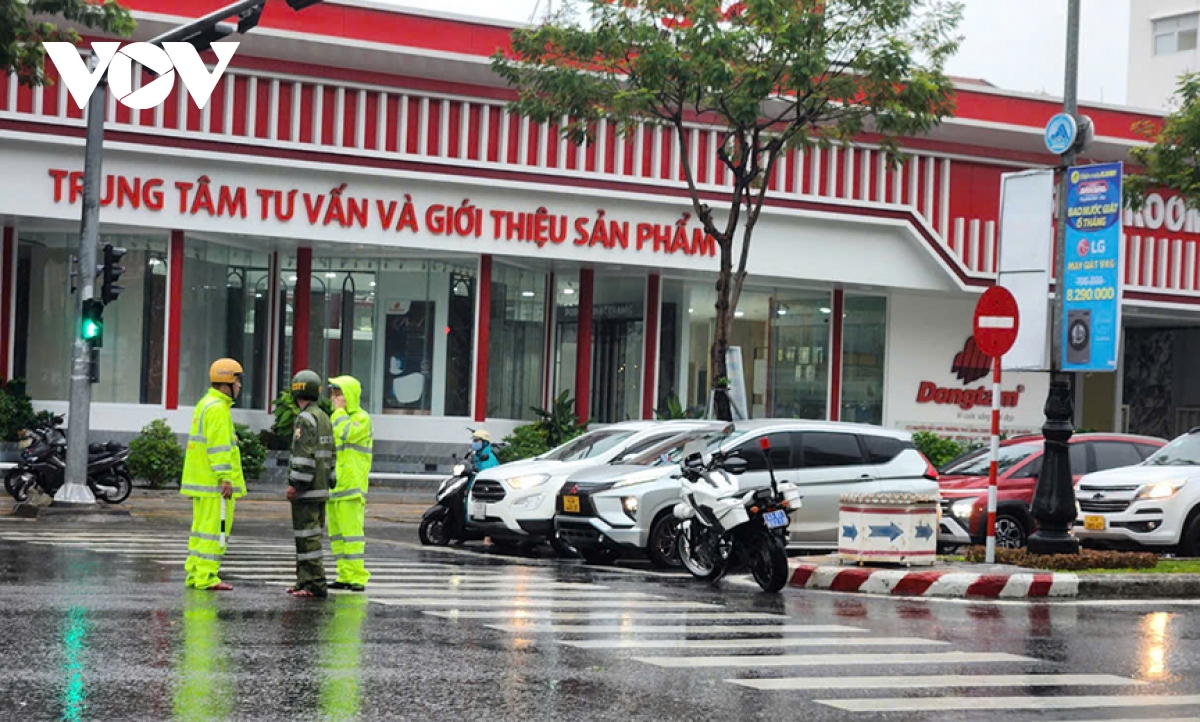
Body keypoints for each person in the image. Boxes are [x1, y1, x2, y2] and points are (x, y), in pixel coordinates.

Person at [181, 358, 247, 592]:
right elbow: (219, 448)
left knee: (200, 529)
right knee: (213, 530)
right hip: (214, 484)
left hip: (201, 481)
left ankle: (196, 572)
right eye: (237, 381)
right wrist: (225, 477)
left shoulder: (206, 403)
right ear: (227, 382)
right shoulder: (218, 409)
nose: (240, 386)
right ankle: (207, 576)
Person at [286, 369, 334, 599]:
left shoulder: (305, 419)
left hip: (307, 489)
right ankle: (304, 580)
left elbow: (303, 456)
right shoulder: (324, 417)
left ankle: (314, 584)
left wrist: (296, 483)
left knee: (307, 538)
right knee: (312, 536)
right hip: (321, 487)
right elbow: (331, 454)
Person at [327, 375, 372, 592]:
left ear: (350, 395)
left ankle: (358, 577)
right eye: (333, 393)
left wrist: (338, 412)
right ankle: (344, 574)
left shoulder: (360, 418)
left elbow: (346, 434)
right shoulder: (339, 417)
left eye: (339, 393)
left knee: (352, 535)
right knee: (337, 536)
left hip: (352, 486)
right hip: (335, 486)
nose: (335, 398)